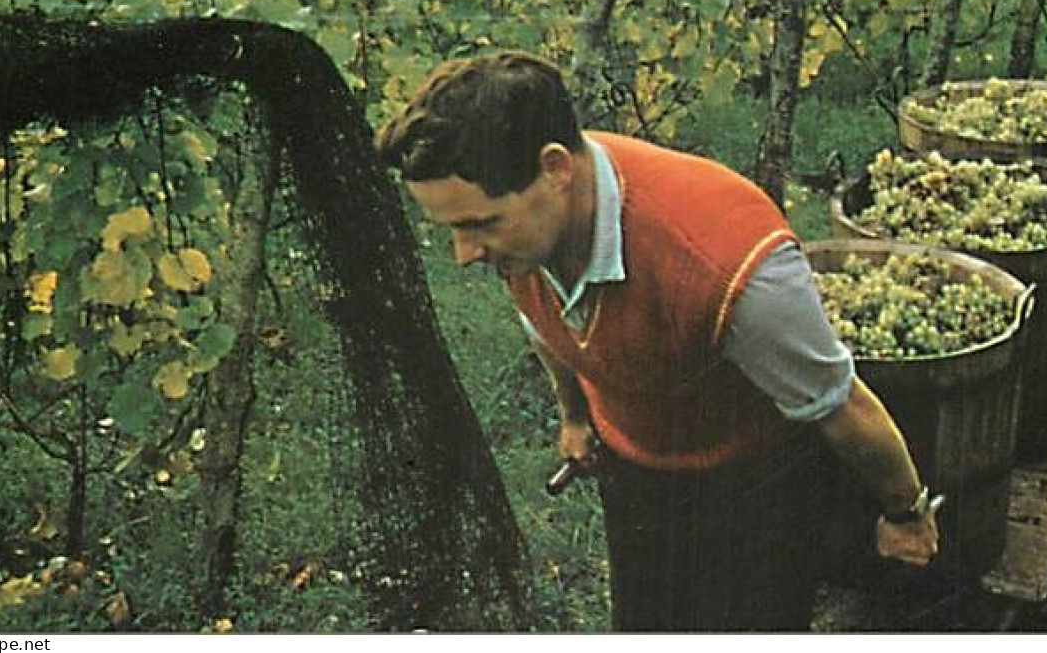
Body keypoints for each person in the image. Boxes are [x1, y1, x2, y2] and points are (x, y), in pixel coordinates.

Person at [374, 52, 942, 632]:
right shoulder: (526, 232)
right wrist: (574, 415)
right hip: (637, 468)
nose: (465, 255)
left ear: (555, 169)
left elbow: (840, 404)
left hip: (748, 488)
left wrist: (906, 512)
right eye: (453, 228)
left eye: (480, 224)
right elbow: (546, 323)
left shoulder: (731, 266)